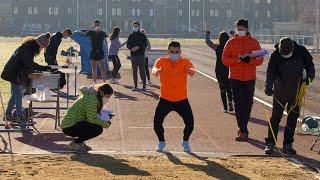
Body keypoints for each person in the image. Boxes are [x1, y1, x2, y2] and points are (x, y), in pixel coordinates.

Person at [264, 37, 315, 155]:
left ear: (293, 48)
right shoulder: (276, 55)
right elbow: (270, 72)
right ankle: (270, 143)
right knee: (275, 119)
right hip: (280, 92)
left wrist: (308, 78)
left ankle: (288, 144)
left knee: (292, 119)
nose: (285, 55)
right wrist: (268, 87)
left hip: (296, 92)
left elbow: (310, 67)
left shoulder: (302, 52)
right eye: (283, 54)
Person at [222, 19, 263, 141]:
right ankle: (243, 129)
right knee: (239, 104)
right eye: (238, 29)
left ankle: (243, 127)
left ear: (247, 29)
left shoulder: (254, 42)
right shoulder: (230, 42)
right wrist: (237, 59)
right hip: (235, 78)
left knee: (248, 103)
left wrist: (249, 60)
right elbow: (224, 60)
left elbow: (260, 60)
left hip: (250, 78)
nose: (240, 31)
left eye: (242, 29)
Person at [152, 41, 196, 152]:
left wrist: (190, 71)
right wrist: (156, 71)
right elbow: (154, 69)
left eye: (177, 52)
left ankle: (185, 141)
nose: (174, 53)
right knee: (157, 121)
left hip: (181, 100)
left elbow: (192, 70)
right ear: (168, 51)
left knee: (190, 122)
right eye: (172, 51)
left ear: (180, 51)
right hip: (165, 99)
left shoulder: (185, 62)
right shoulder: (161, 61)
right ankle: (161, 142)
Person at [1, 34, 52, 122]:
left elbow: (26, 64)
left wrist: (33, 71)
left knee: (15, 95)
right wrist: (43, 68)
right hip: (14, 73)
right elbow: (29, 64)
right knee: (19, 95)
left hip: (14, 72)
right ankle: (20, 116)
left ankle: (8, 114)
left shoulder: (28, 47)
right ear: (39, 45)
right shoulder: (28, 49)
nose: (42, 49)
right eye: (42, 47)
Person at [61, 83, 114, 153]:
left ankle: (80, 142)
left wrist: (106, 116)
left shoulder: (93, 97)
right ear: (101, 93)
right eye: (107, 97)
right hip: (69, 126)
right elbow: (91, 119)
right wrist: (105, 124)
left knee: (92, 126)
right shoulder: (92, 100)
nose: (107, 99)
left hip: (73, 123)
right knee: (98, 129)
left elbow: (93, 114)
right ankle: (76, 143)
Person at [205, 31, 234, 113]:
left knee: (222, 89)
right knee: (229, 88)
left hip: (219, 70)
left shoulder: (217, 47)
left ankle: (225, 108)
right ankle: (230, 102)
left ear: (219, 39)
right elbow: (236, 41)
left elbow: (208, 42)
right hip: (228, 69)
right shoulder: (230, 48)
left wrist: (207, 34)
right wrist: (233, 34)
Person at [126, 21, 148, 91]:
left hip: (141, 55)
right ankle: (135, 86)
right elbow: (128, 44)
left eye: (136, 26)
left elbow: (145, 44)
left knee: (142, 70)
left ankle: (144, 86)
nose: (135, 27)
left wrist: (138, 47)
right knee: (134, 71)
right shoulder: (130, 35)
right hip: (133, 55)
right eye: (134, 26)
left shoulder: (142, 35)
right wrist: (131, 48)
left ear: (139, 26)